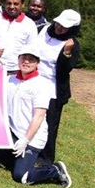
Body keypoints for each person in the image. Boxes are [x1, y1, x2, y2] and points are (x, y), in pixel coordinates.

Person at [7, 48, 72, 188]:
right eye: (23, 58)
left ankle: (55, 170)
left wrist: (26, 140)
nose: (26, 62)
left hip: (32, 138)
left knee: (21, 176)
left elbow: (39, 116)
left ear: (37, 63)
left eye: (31, 59)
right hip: (12, 132)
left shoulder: (42, 85)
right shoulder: (10, 80)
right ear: (18, 59)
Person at [36, 9, 81, 164]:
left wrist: (66, 53)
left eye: (64, 27)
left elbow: (64, 70)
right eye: (58, 23)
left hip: (52, 88)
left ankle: (45, 158)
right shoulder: (42, 31)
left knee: (49, 124)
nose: (59, 27)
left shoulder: (72, 44)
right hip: (33, 82)